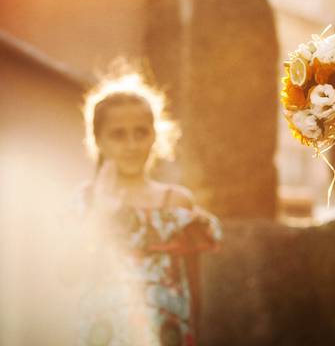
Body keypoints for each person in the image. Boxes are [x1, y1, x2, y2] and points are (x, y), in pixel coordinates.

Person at [69, 68, 222, 346]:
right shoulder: (86, 202)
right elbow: (68, 273)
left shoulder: (176, 203)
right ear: (99, 141)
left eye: (141, 132)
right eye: (118, 135)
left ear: (155, 135)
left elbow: (194, 290)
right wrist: (100, 214)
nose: (131, 145)